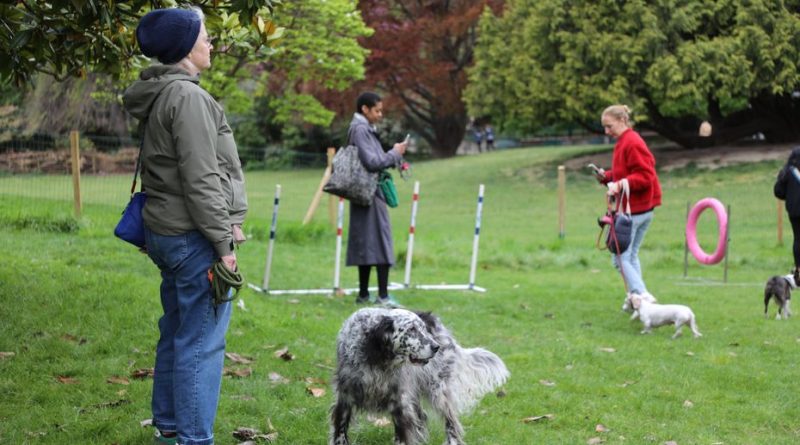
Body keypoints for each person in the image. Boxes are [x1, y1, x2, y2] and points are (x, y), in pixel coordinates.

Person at [123, 7, 248, 445]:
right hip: (193, 237)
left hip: (167, 232)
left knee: (177, 331)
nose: (212, 44)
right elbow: (201, 177)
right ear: (184, 49)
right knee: (201, 342)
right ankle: (194, 439)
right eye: (205, 37)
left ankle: (169, 428)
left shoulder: (164, 92)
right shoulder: (189, 98)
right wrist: (222, 240)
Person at [346, 92, 408, 307]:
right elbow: (373, 162)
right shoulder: (361, 129)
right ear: (365, 109)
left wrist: (396, 159)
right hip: (369, 193)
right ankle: (383, 296)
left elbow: (377, 159)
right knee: (381, 242)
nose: (380, 115)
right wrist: (395, 153)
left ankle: (364, 294)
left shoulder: (363, 129)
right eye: (377, 110)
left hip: (364, 193)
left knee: (366, 242)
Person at [597, 105, 661, 296]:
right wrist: (606, 177)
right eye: (604, 127)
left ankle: (643, 298)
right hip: (637, 210)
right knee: (630, 256)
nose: (606, 131)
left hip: (636, 211)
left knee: (619, 258)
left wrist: (619, 184)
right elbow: (623, 173)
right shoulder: (624, 141)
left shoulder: (632, 142)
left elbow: (645, 176)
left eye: (609, 126)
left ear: (622, 120)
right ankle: (636, 298)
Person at [773, 147, 800, 277]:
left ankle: (799, 269)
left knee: (798, 239)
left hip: (794, 211)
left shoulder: (787, 172)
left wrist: (789, 197)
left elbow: (778, 191)